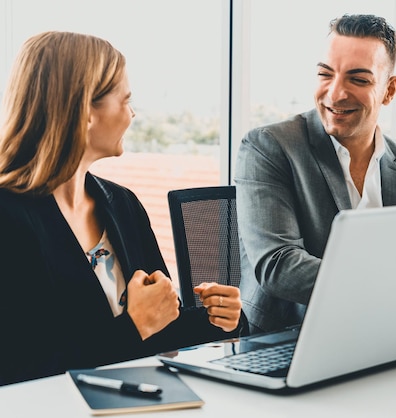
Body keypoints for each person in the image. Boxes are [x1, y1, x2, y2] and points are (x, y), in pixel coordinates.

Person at [0, 31, 246, 386]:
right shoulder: (8, 217)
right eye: (125, 100)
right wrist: (133, 327)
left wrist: (218, 318)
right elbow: (19, 370)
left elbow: (159, 326)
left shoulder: (123, 203)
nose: (132, 114)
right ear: (85, 111)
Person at [235, 14, 396, 334]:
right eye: (326, 74)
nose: (336, 93)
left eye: (358, 79)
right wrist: (392, 289)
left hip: (395, 335)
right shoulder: (270, 147)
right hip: (291, 341)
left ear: (389, 90)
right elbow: (279, 266)